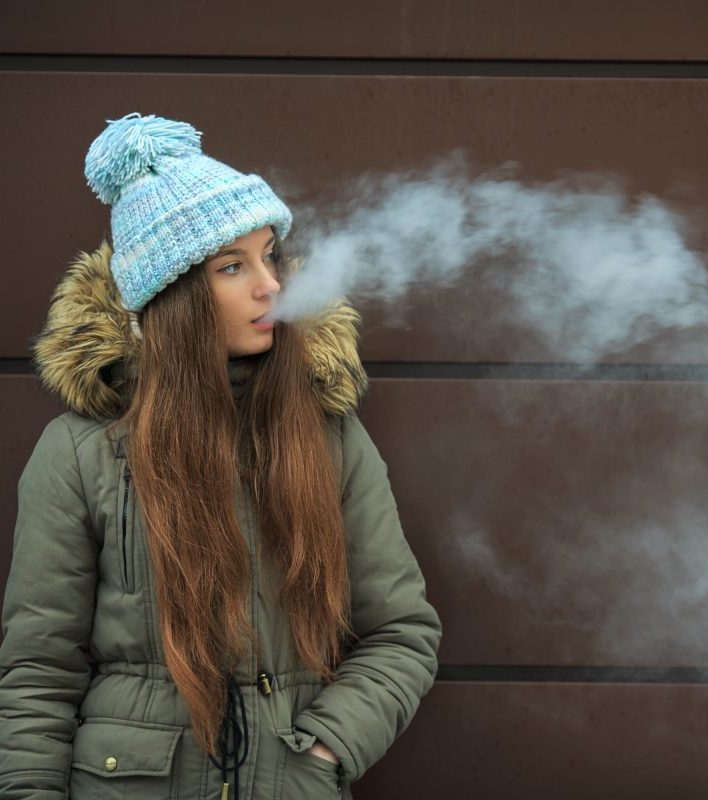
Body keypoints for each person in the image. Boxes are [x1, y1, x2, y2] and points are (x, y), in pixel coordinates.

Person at [0, 112, 442, 800]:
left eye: (271, 255)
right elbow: (38, 671)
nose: (269, 284)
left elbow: (402, 632)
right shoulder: (82, 452)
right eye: (232, 266)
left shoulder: (327, 436)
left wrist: (322, 753)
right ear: (171, 296)